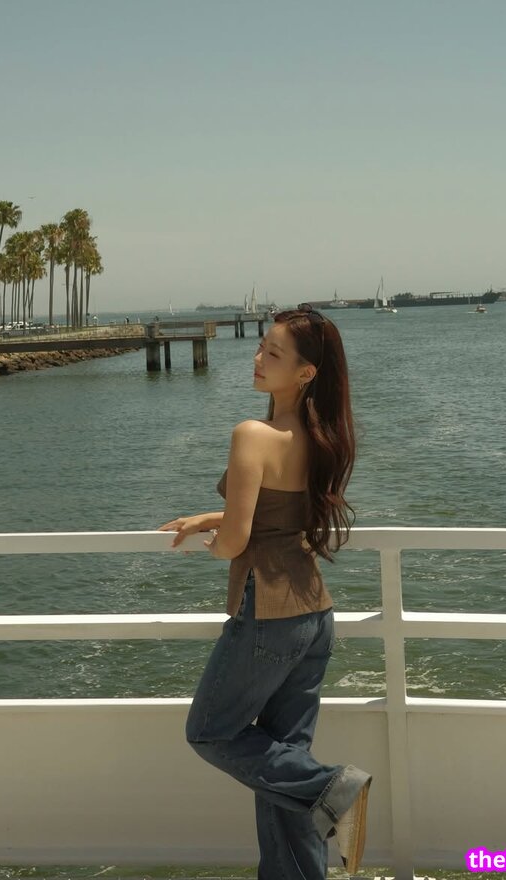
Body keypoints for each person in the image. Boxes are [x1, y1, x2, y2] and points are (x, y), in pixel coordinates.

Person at [159, 304, 371, 879]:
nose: (257, 358)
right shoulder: (318, 435)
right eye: (260, 346)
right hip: (314, 615)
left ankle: (333, 789)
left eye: (273, 353)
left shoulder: (252, 434)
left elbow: (238, 540)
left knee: (209, 731)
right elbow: (280, 512)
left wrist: (217, 542)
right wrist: (213, 517)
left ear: (305, 372)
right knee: (281, 772)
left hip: (270, 614)